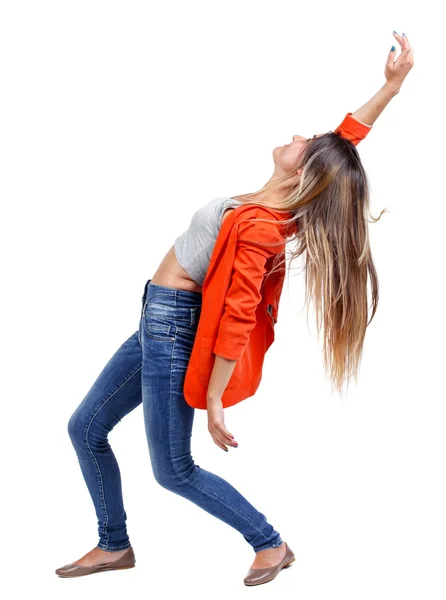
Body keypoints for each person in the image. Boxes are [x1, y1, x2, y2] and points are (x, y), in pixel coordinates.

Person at [55, 32, 414, 586]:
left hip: (174, 327)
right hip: (157, 319)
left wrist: (216, 398)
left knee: (173, 470)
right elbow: (342, 145)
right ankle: (114, 544)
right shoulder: (274, 199)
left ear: (304, 172)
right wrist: (391, 86)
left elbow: (237, 317)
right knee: (86, 427)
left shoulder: (263, 228)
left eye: (306, 141)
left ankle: (270, 543)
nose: (300, 134)